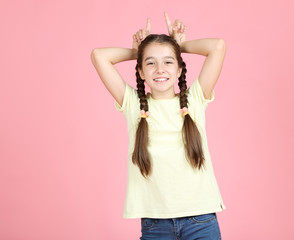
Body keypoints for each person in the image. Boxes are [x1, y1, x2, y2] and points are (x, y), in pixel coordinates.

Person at [91, 12, 227, 240]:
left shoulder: (194, 100)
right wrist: (137, 51)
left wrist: (180, 44)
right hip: (156, 226)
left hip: (201, 221)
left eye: (168, 61)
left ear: (180, 69)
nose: (160, 69)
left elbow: (218, 47)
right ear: (141, 72)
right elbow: (98, 56)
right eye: (150, 63)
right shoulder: (133, 105)